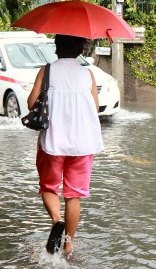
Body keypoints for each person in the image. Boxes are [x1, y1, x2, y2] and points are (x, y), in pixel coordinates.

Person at [27, 34, 104, 255]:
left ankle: (56, 220)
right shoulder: (87, 74)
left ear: (57, 46)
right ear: (81, 48)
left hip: (52, 141)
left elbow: (32, 103)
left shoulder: (47, 70)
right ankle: (69, 244)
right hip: (82, 144)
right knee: (73, 194)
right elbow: (95, 109)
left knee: (48, 187)